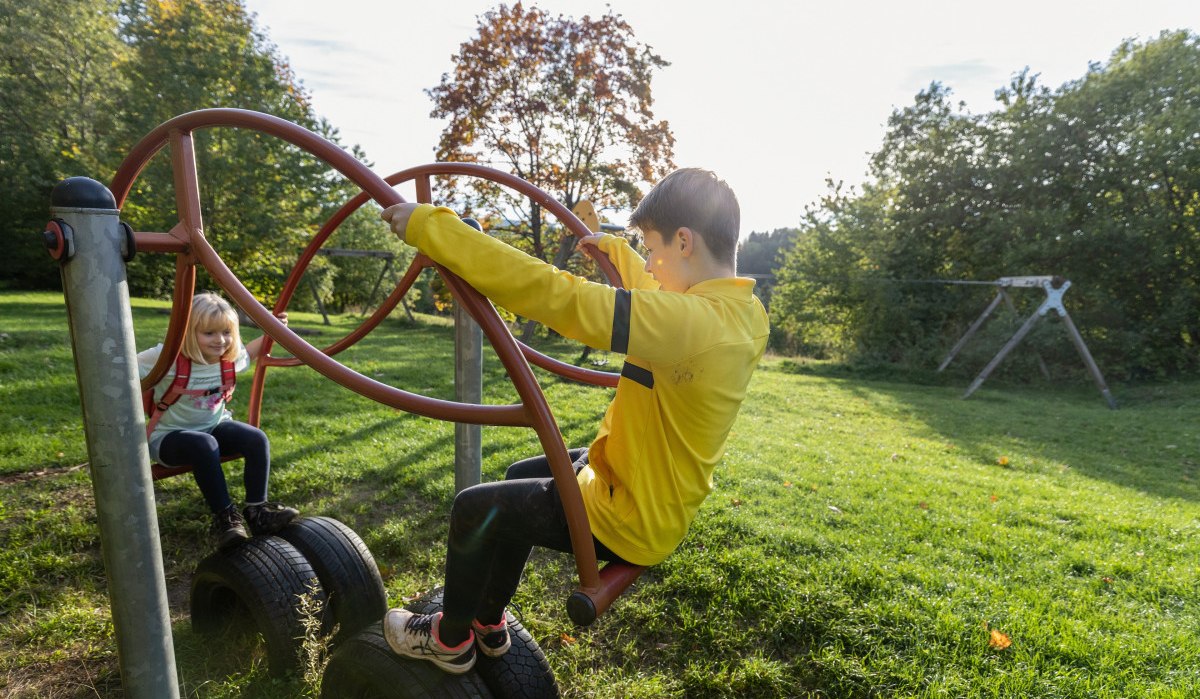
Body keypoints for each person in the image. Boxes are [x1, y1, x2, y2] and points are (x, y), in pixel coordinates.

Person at [378, 168, 769, 674]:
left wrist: (435, 230)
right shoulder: (743, 314)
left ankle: (448, 640)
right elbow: (662, 299)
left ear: (685, 241)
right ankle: (488, 623)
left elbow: (560, 296)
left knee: (472, 509)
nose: (649, 264)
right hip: (653, 488)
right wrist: (621, 254)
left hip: (626, 512)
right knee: (520, 475)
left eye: (652, 251)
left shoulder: (689, 325)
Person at [137, 292, 299, 548]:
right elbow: (122, 368)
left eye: (226, 332)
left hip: (213, 428)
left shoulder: (228, 360)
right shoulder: (166, 357)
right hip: (168, 438)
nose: (220, 340)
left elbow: (250, 352)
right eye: (209, 333)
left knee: (256, 438)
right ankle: (226, 519)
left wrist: (273, 330)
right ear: (188, 332)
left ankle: (258, 512)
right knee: (204, 444)